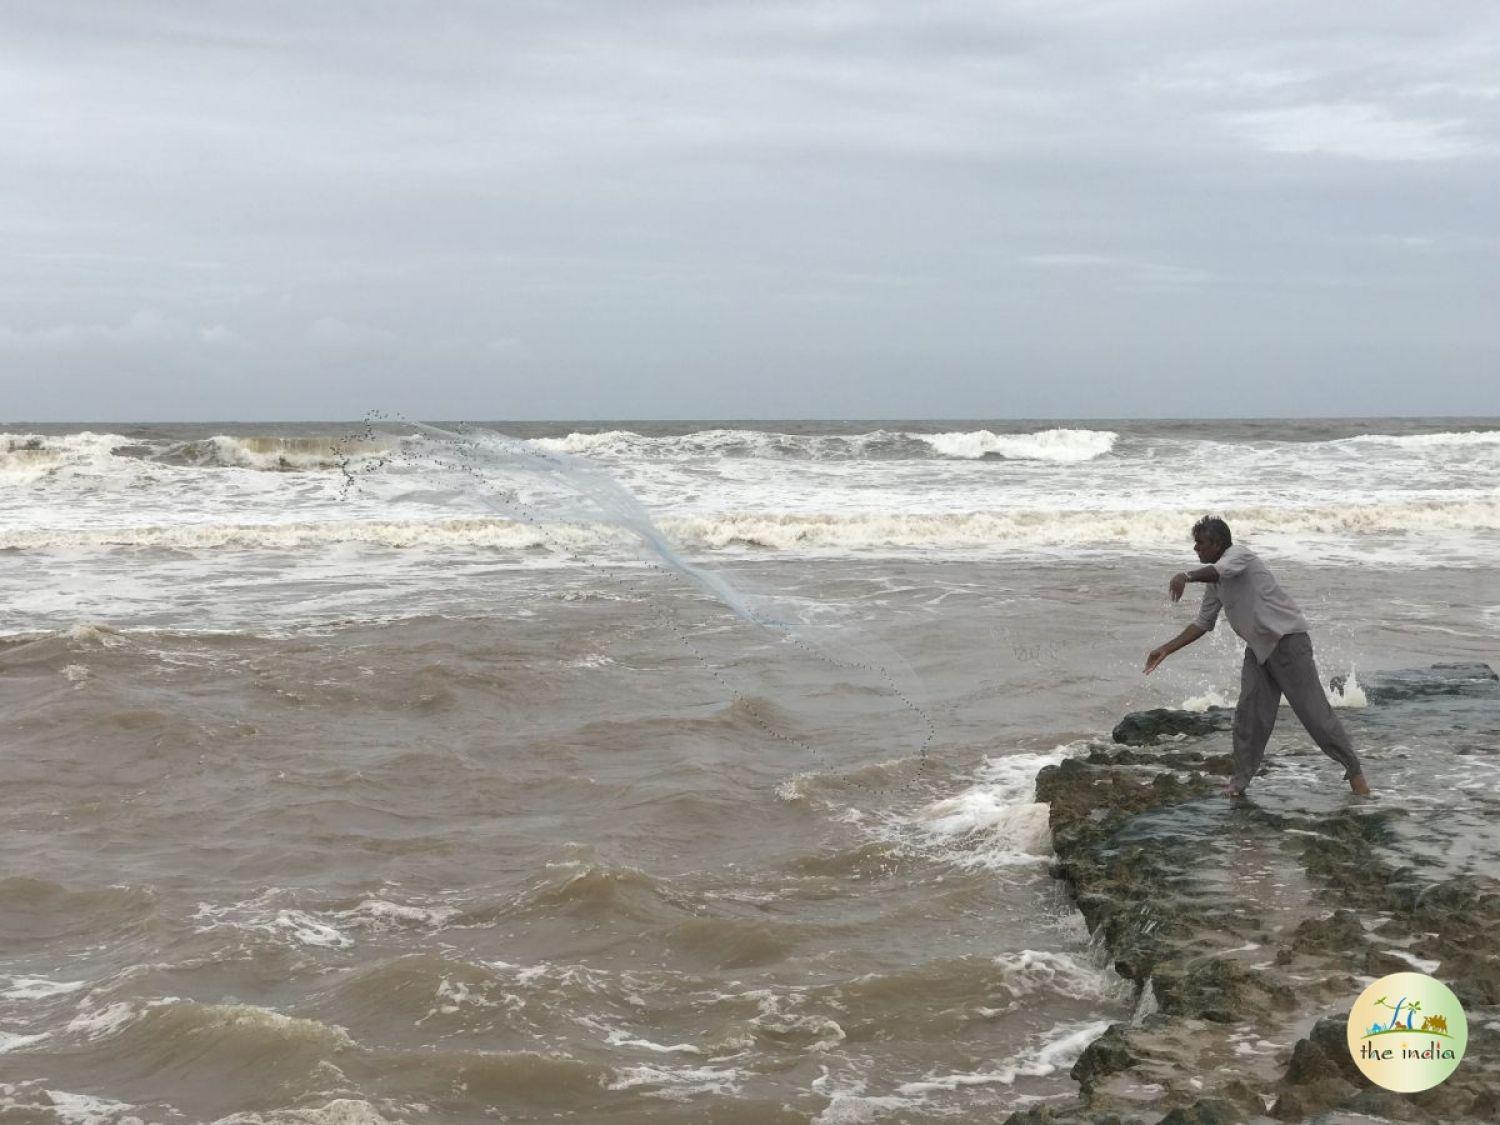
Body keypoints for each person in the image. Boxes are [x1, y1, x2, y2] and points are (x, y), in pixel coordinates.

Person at [1144, 516, 1371, 798]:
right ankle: (1239, 783)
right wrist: (1166, 649)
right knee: (1249, 717)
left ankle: (1356, 777)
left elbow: (1219, 570)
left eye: (1200, 543)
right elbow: (1203, 623)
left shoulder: (1239, 555)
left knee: (1315, 716)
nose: (1195, 549)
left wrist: (1185, 576)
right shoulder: (1215, 583)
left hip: (1288, 642)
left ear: (1217, 543)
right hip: (1259, 650)